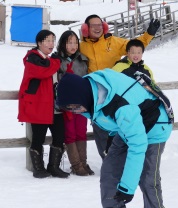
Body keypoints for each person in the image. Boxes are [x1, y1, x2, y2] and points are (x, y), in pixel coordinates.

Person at [56, 70, 172, 208]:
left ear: (81, 96)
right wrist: (112, 135)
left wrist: (127, 187)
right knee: (109, 174)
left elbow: (137, 144)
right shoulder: (90, 94)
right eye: (70, 109)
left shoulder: (121, 105)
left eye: (75, 107)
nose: (75, 112)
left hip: (155, 127)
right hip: (128, 127)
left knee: (148, 179)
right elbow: (108, 115)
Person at [79, 14, 161, 159]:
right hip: (96, 94)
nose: (97, 28)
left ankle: (123, 160)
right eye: (93, 26)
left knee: (119, 126)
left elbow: (134, 46)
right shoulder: (81, 47)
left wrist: (149, 34)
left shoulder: (113, 42)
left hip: (115, 93)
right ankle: (108, 161)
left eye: (100, 25)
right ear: (86, 29)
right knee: (100, 127)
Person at [17, 29, 69, 179]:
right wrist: (56, 61)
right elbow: (43, 72)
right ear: (39, 43)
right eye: (47, 41)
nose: (51, 44)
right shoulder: (32, 58)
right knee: (38, 138)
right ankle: (38, 168)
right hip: (39, 105)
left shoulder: (50, 59)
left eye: (53, 40)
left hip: (55, 105)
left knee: (60, 136)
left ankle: (54, 167)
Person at [52, 30, 94, 176]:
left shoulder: (83, 60)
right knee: (70, 133)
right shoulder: (56, 60)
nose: (73, 45)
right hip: (66, 103)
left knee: (81, 132)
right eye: (69, 42)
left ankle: (83, 162)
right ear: (63, 44)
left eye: (75, 42)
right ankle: (76, 165)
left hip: (81, 102)